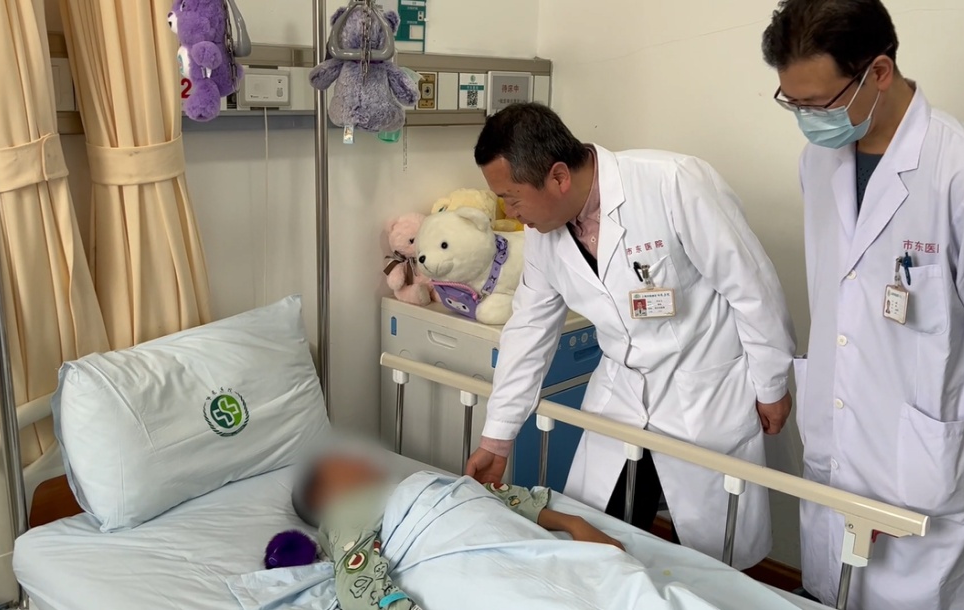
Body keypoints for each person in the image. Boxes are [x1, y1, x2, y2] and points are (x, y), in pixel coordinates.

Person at [761, 1, 964, 608]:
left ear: (878, 72)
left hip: (924, 468)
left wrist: (948, 420)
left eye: (819, 103)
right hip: (836, 445)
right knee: (831, 590)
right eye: (794, 104)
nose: (809, 120)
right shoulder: (818, 162)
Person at [463, 103, 797, 568]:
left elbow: (752, 288)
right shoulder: (544, 231)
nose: (511, 213)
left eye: (512, 198)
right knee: (601, 540)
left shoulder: (673, 183)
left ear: (558, 177)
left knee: (711, 561)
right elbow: (529, 329)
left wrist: (771, 384)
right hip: (621, 398)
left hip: (703, 394)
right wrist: (497, 438)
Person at [292, 451, 623, 610]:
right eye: (342, 463)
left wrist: (574, 524)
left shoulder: (411, 485)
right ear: (324, 492)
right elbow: (357, 585)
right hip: (467, 556)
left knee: (607, 583)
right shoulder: (344, 513)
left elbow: (492, 497)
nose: (360, 460)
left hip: (505, 535)